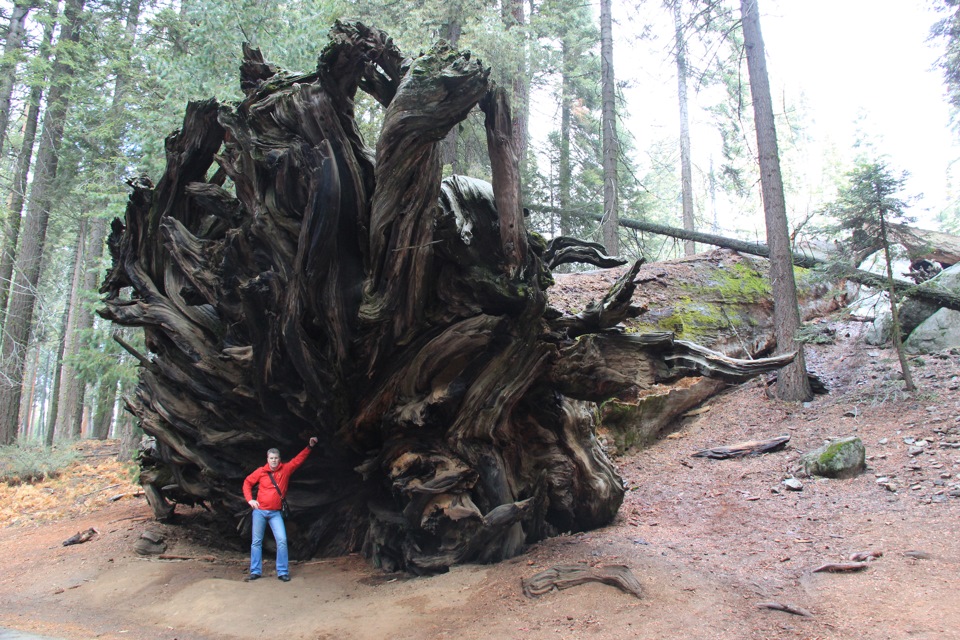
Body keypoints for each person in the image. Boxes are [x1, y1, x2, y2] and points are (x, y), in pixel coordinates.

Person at [242, 436, 317, 582]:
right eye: (271, 458)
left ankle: (282, 571)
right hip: (260, 512)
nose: (274, 460)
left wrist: (310, 446)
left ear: (279, 459)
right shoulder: (261, 472)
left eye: (276, 458)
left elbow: (298, 460)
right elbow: (247, 483)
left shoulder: (286, 469)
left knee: (282, 540)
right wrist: (250, 500)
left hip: (275, 513)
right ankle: (255, 571)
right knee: (256, 542)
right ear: (267, 459)